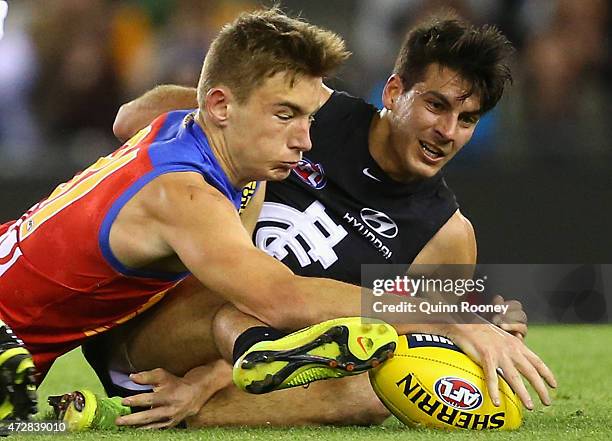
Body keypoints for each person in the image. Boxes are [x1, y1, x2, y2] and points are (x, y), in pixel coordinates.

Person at [57, 12, 556, 430]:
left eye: (466, 120)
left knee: (378, 385)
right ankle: (192, 406)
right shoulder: (310, 106)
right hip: (151, 323)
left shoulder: (448, 237)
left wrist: (480, 324)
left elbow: (407, 339)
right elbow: (130, 119)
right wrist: (224, 108)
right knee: (263, 282)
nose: (446, 132)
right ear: (394, 90)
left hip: (237, 364)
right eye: (435, 105)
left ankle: (166, 412)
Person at [0, 8, 415, 423]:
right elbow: (282, 296)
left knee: (244, 285)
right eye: (285, 115)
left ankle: (254, 345)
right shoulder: (184, 196)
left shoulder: (194, 137)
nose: (305, 140)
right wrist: (439, 314)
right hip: (9, 338)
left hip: (19, 328)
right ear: (219, 106)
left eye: (308, 118)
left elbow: (129, 119)